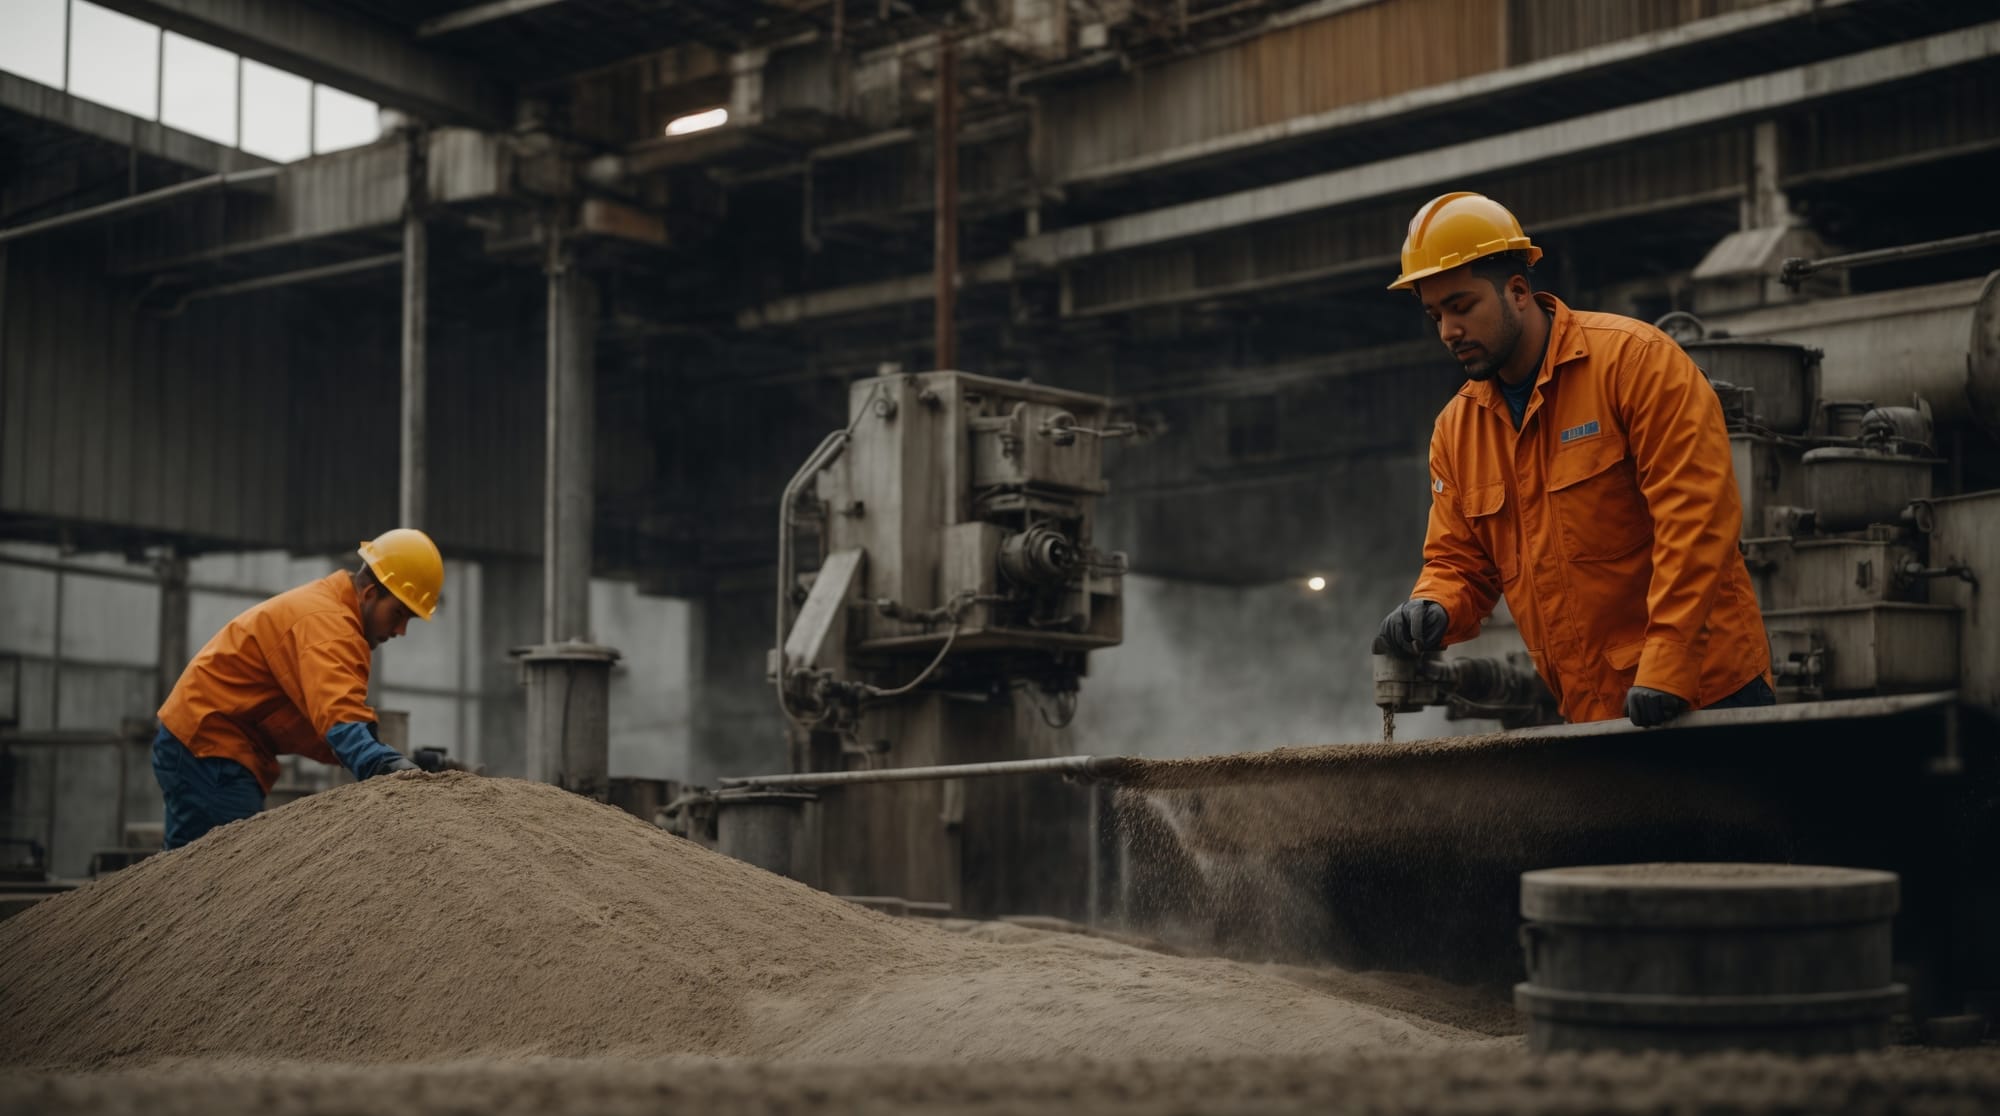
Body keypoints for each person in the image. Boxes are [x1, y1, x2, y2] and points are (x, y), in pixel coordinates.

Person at [1374, 192, 1772, 727]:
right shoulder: (1457, 431)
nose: (1448, 331)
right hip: (1591, 713)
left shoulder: (1635, 364)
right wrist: (1434, 605)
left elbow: (1696, 521)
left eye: (1461, 307)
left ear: (1518, 291)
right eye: (1434, 314)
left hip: (1708, 694)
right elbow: (1459, 562)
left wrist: (1668, 665)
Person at [152, 528, 446, 847]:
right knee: (222, 875)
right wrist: (389, 767)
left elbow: (324, 726)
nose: (400, 630)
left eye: (410, 620)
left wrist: (396, 756)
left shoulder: (330, 613)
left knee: (200, 875)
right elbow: (340, 719)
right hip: (210, 746)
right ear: (370, 594)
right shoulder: (329, 626)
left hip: (208, 742)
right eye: (399, 614)